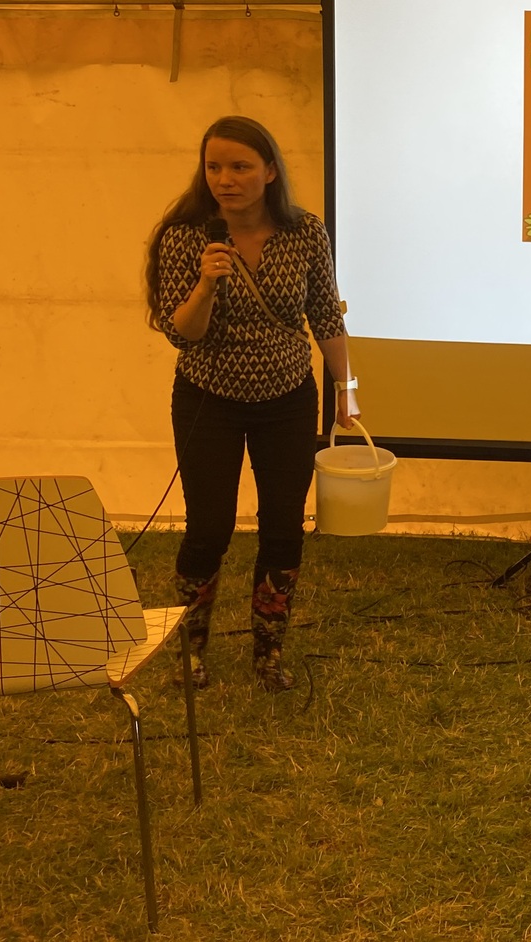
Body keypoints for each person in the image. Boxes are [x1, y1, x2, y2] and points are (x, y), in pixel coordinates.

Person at [145, 116, 355, 691]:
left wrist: (347, 390)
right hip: (207, 400)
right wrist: (205, 284)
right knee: (207, 528)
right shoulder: (185, 236)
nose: (225, 179)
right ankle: (191, 651)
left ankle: (269, 653)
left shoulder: (304, 232)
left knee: (283, 528)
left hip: (287, 400)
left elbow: (326, 316)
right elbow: (182, 333)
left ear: (269, 172)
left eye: (240, 166)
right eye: (214, 167)